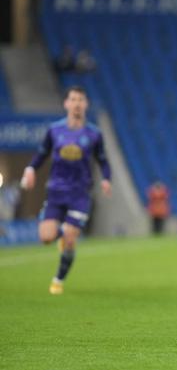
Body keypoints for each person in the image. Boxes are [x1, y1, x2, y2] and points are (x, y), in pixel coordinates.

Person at [20, 86, 111, 295]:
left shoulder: (94, 134)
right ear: (66, 104)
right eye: (73, 99)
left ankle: (58, 280)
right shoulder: (54, 130)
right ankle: (58, 232)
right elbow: (42, 154)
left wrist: (107, 179)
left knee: (70, 237)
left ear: (86, 104)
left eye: (80, 99)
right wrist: (31, 169)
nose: (77, 103)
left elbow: (103, 160)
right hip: (56, 192)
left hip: (80, 194)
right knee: (45, 238)